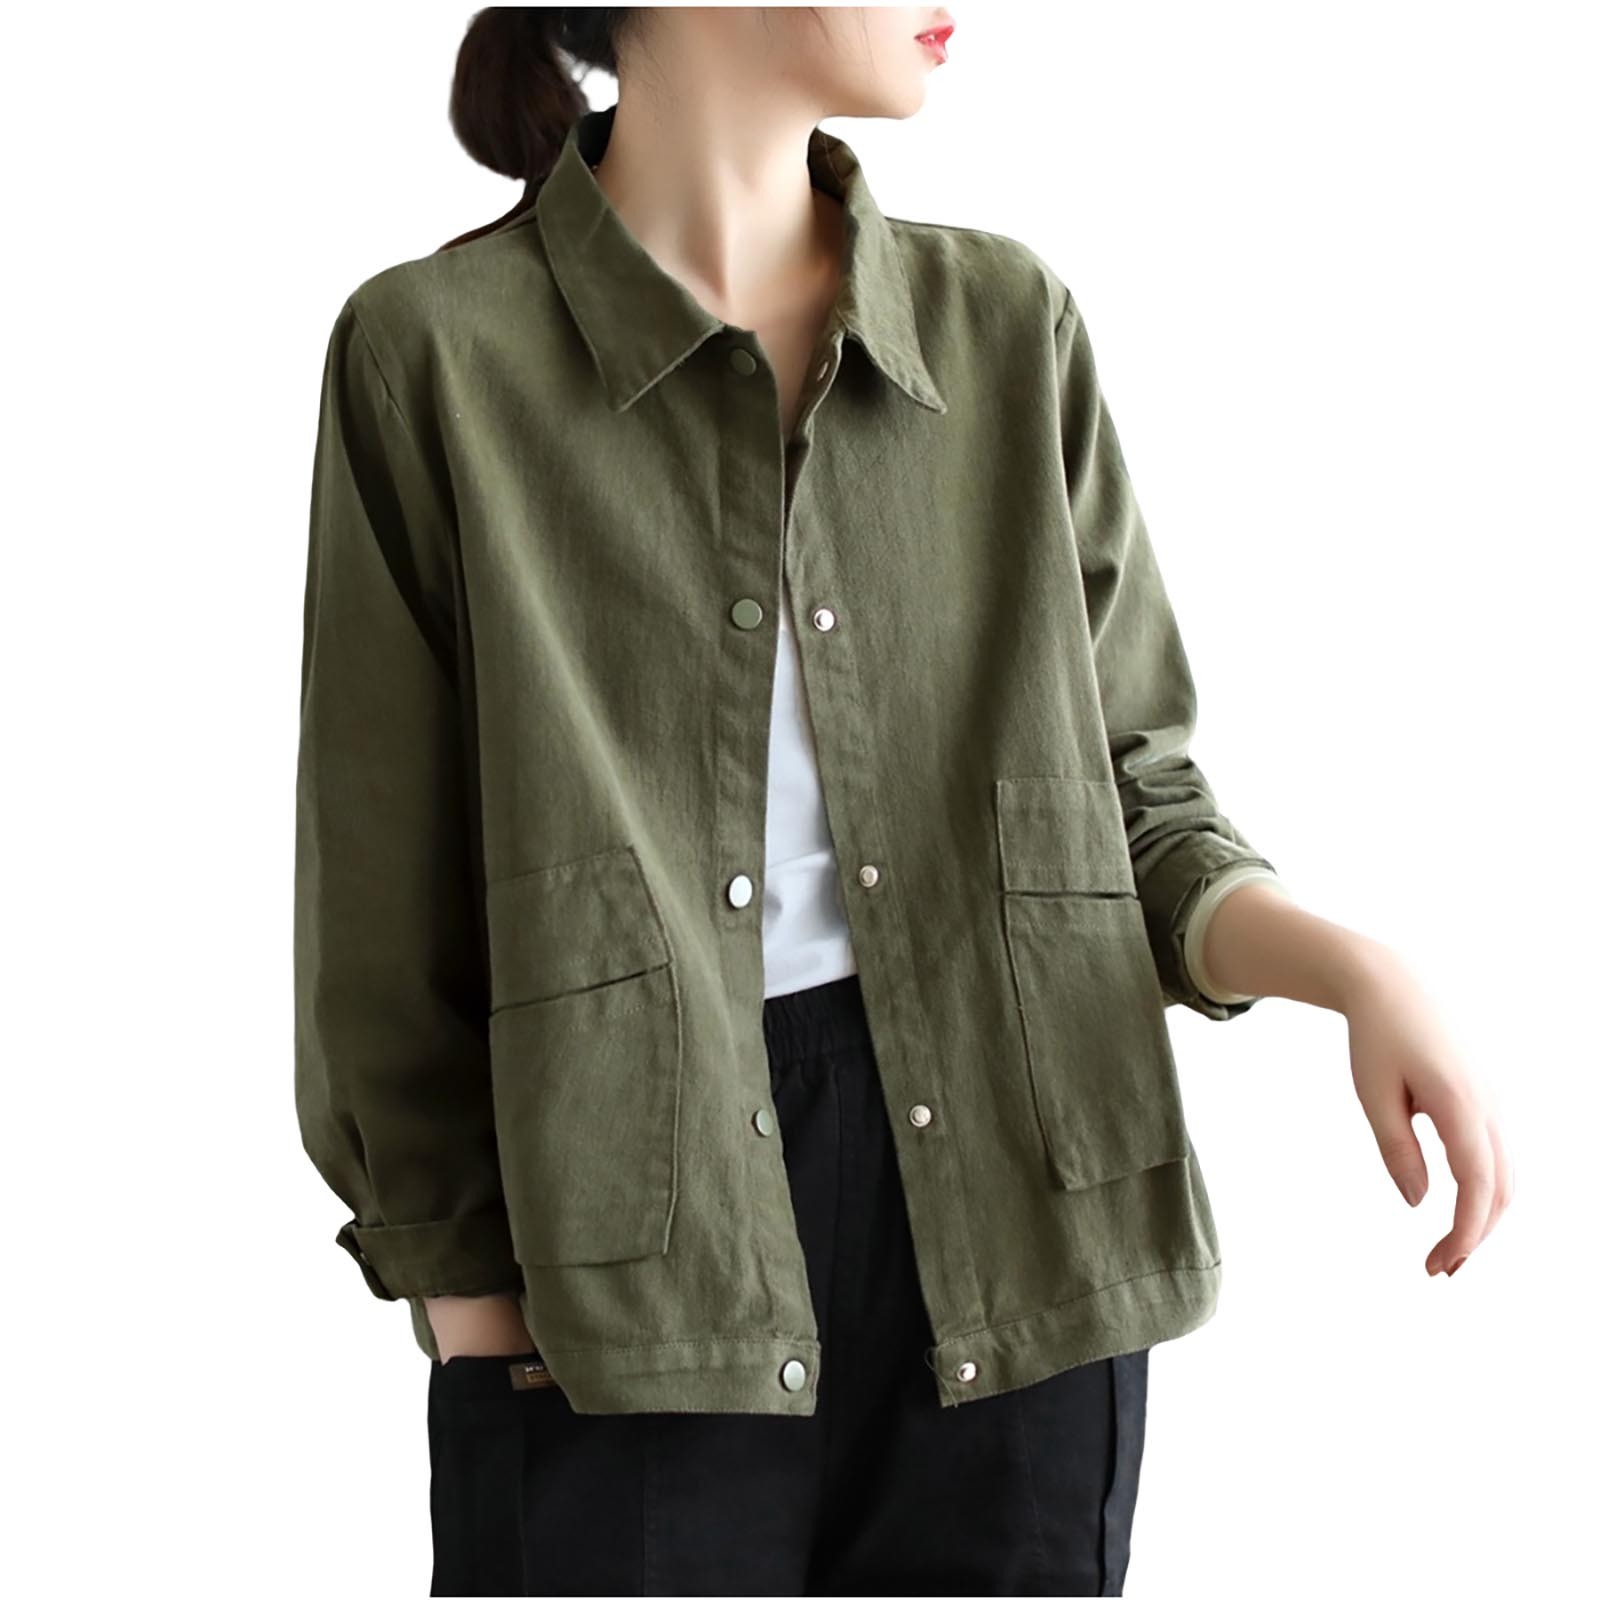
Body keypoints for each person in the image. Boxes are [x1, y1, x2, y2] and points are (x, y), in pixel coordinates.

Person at [293, 7, 1514, 1594]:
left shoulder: (1006, 327)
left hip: (1014, 1239)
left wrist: (1353, 969)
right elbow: (380, 909)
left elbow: (1132, 802)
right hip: (616, 1274)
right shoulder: (436, 356)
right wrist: (474, 1309)